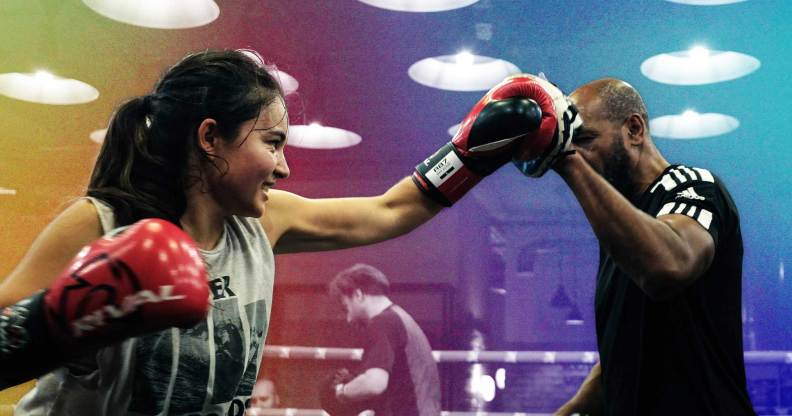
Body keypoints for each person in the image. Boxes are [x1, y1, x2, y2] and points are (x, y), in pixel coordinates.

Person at [0, 48, 578, 416]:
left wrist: (472, 154)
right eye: (272, 143)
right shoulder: (101, 223)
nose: (284, 167)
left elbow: (389, 211)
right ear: (210, 138)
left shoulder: (266, 221)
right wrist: (65, 316)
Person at [533, 78, 755, 415]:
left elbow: (669, 265)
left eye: (586, 140)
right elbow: (621, 353)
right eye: (571, 146)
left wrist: (564, 158)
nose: (578, 154)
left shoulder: (693, 186)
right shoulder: (621, 233)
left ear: (634, 130)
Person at [322, 264, 440, 416]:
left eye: (347, 307)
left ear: (358, 295)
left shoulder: (383, 323)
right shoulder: (401, 317)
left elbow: (374, 383)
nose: (349, 318)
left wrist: (341, 391)